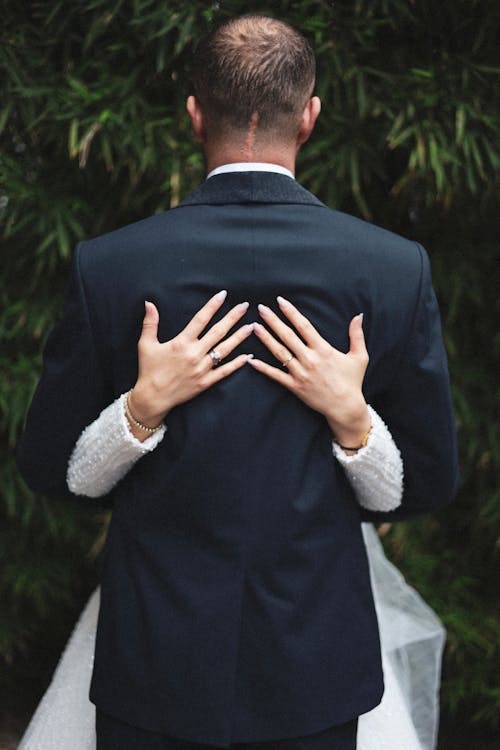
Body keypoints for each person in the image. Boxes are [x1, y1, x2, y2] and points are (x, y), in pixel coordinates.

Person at [16, 13, 458, 750]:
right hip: (315, 665)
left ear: (195, 115)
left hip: (153, 660)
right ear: (311, 117)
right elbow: (427, 488)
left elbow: (53, 475)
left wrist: (133, 417)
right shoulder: (392, 267)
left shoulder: (110, 265)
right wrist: (143, 407)